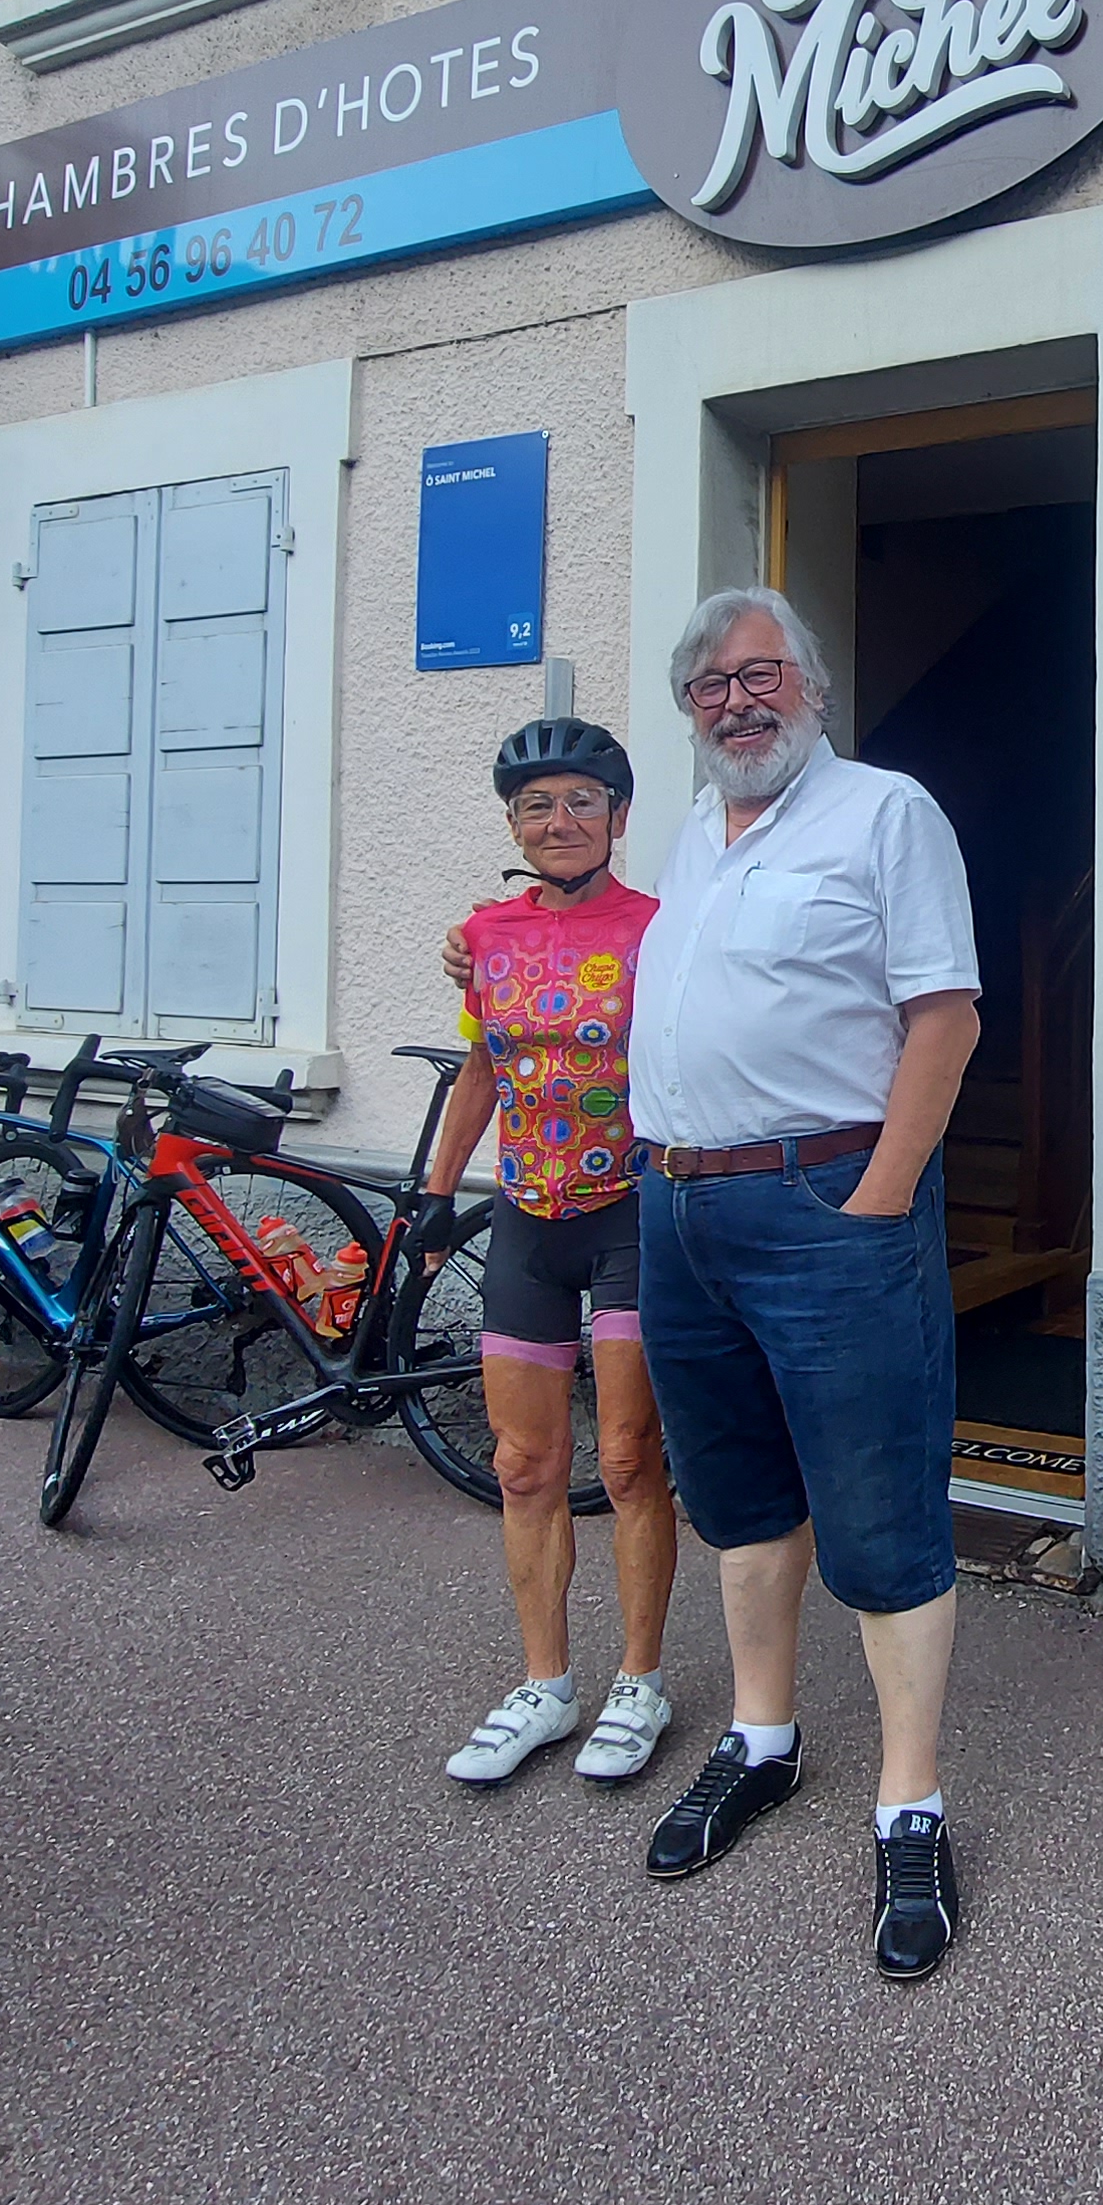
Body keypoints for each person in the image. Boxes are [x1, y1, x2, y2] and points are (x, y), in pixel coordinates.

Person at [594, 589, 984, 1978]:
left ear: (813, 688)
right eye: (708, 684)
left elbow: (945, 1017)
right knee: (742, 1500)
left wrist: (879, 1201)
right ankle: (763, 1740)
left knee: (880, 1520)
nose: (736, 700)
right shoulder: (693, 834)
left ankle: (909, 1802)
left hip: (830, 1206)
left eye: (761, 674)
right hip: (683, 1211)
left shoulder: (885, 813)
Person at [423, 716, 680, 1791]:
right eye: (537, 805)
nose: (559, 820)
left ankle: (641, 1681)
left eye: (582, 801)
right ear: (513, 825)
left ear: (618, 816)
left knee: (626, 1459)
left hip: (631, 1214)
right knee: (523, 1465)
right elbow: (481, 1070)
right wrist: (436, 1195)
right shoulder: (485, 936)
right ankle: (545, 1685)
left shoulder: (660, 926)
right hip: (527, 1219)